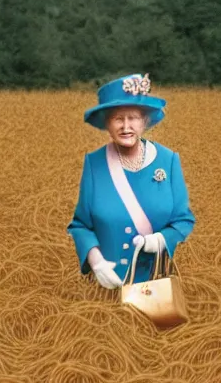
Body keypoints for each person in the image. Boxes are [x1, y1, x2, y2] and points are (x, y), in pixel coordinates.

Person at [68, 73, 195, 289]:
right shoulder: (94, 164)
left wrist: (161, 240)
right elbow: (80, 226)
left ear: (144, 121)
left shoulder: (169, 160)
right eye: (118, 118)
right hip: (107, 287)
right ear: (107, 124)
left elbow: (183, 221)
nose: (126, 127)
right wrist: (96, 261)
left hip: (157, 287)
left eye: (133, 117)